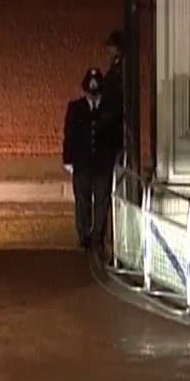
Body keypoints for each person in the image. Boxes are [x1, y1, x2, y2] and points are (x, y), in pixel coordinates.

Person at [62, 67, 122, 251]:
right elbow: (69, 135)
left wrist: (117, 157)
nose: (93, 97)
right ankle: (84, 235)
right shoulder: (76, 108)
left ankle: (98, 237)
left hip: (103, 164)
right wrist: (68, 159)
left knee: (102, 201)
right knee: (82, 200)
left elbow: (116, 136)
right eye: (90, 94)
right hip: (82, 163)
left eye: (95, 94)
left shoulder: (110, 109)